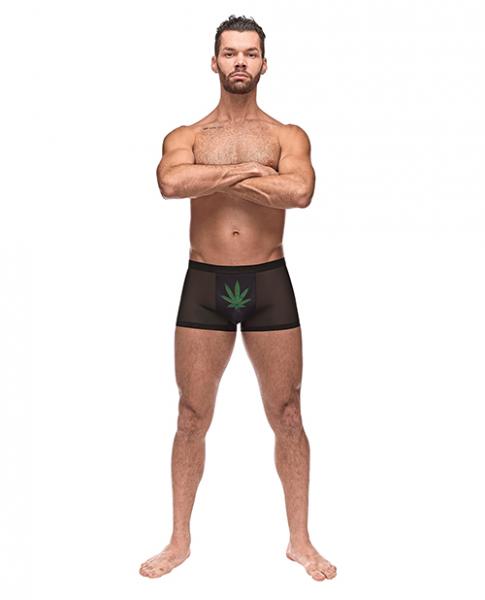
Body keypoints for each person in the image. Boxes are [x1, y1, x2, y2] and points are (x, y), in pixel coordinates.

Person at [139, 14, 337, 582]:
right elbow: (170, 183)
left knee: (288, 413)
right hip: (205, 285)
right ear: (214, 62)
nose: (240, 62)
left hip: (267, 283)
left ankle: (300, 541)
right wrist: (253, 172)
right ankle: (179, 541)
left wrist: (219, 175)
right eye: (230, 53)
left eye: (250, 53)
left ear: (264, 64)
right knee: (191, 415)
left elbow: (300, 191)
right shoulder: (186, 136)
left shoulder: (287, 136)